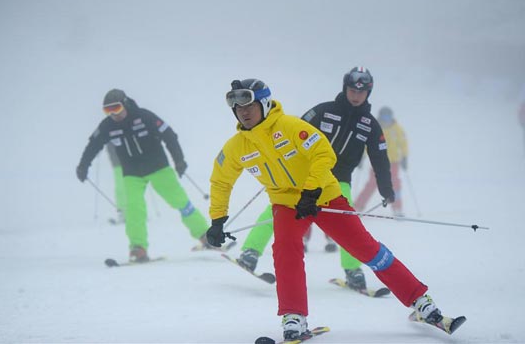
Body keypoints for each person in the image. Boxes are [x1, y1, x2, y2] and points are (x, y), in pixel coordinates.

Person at [206, 78, 451, 340]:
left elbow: (324, 154)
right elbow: (221, 180)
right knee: (285, 250)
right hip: (287, 204)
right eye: (238, 108)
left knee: (366, 249)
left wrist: (312, 190)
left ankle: (421, 302)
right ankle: (294, 318)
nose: (243, 112)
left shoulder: (290, 126)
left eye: (250, 106)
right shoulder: (236, 146)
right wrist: (218, 219)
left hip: (324, 196)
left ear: (264, 104)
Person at [235, 67, 395, 293]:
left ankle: (353, 271)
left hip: (339, 181)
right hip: (305, 175)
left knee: (350, 224)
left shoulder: (370, 124)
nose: (356, 95)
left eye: (362, 92)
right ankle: (250, 251)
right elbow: (289, 132)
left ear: (368, 93)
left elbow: (380, 157)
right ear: (345, 88)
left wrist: (386, 188)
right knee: (279, 211)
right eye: (352, 90)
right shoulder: (324, 111)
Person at [76, 89, 211, 262]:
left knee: (180, 202)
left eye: (115, 109)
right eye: (108, 111)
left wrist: (179, 160)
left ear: (124, 104)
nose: (113, 114)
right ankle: (138, 248)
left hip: (158, 168)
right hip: (132, 173)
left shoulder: (144, 116)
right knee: (134, 209)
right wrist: (83, 165)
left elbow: (169, 135)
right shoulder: (107, 126)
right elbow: (93, 145)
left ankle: (205, 236)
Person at [355, 106, 408, 216]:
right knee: (372, 184)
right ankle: (358, 206)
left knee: (395, 184)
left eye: (388, 117)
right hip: (378, 162)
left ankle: (397, 208)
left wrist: (404, 157)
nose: (386, 120)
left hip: (393, 162)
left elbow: (403, 143)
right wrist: (362, 157)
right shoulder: (376, 127)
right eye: (384, 117)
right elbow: (366, 144)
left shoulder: (396, 129)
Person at [106, 143, 127, 223]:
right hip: (117, 164)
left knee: (127, 187)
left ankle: (132, 212)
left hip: (127, 162)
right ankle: (122, 213)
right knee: (121, 188)